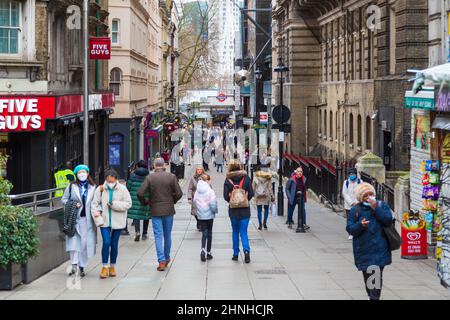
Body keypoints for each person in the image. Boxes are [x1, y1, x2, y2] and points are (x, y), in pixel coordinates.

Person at [346, 182, 393, 300]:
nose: (369, 197)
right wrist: (360, 225)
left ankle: (374, 297)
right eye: (366, 196)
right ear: (361, 198)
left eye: (370, 194)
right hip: (363, 249)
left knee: (376, 275)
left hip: (379, 248)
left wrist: (375, 208)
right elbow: (350, 229)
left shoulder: (382, 205)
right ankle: (370, 295)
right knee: (367, 275)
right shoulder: (355, 210)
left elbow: (387, 220)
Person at [137, 158, 183, 271]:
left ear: (154, 165)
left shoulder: (150, 177)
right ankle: (167, 257)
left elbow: (140, 193)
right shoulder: (171, 177)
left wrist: (146, 202)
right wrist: (173, 201)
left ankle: (161, 260)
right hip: (168, 210)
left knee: (158, 236)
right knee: (167, 235)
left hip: (155, 210)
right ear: (164, 165)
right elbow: (179, 193)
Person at [92, 169, 132, 279]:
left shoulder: (122, 189)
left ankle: (112, 266)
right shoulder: (100, 189)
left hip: (118, 221)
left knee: (114, 244)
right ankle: (104, 266)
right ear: (105, 179)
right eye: (108, 181)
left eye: (112, 181)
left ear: (116, 179)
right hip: (104, 221)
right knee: (106, 242)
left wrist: (114, 204)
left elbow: (128, 204)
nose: (110, 183)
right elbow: (94, 205)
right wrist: (97, 217)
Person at [61, 164, 97, 277]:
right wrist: (72, 204)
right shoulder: (72, 186)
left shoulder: (93, 187)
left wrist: (97, 211)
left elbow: (96, 202)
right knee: (74, 244)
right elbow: (64, 199)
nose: (82, 174)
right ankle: (74, 265)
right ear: (76, 174)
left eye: (84, 172)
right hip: (74, 219)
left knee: (84, 244)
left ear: (87, 173)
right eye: (79, 172)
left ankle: (82, 266)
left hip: (88, 220)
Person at [223, 160, 254, 263]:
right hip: (245, 210)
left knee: (235, 232)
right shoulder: (246, 178)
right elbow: (251, 193)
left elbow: (225, 196)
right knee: (244, 232)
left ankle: (235, 254)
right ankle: (246, 251)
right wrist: (244, 200)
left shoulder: (228, 180)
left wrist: (232, 200)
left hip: (233, 211)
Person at [193, 178, 218, 262]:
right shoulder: (210, 191)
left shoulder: (197, 191)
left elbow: (194, 201)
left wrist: (199, 210)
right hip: (210, 215)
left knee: (204, 233)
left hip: (201, 215)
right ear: (206, 182)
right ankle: (209, 252)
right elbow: (213, 203)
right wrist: (215, 211)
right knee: (210, 233)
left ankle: (202, 250)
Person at [127, 160, 151, 242]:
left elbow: (128, 187)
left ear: (137, 166)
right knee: (146, 215)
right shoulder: (149, 176)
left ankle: (137, 232)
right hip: (146, 198)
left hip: (134, 198)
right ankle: (144, 234)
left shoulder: (132, 175)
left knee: (136, 216)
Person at [252, 166, 275, 230]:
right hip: (266, 195)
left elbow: (253, 188)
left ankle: (260, 224)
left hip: (258, 195)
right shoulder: (268, 177)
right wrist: (272, 196)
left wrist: (253, 195)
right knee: (266, 209)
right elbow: (270, 188)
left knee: (259, 210)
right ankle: (264, 222)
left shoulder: (255, 177)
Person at [342, 167, 362, 240]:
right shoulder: (346, 182)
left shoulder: (360, 182)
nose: (352, 175)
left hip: (358, 204)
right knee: (349, 219)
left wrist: (357, 202)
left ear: (356, 174)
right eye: (350, 174)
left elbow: (361, 192)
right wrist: (351, 202)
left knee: (357, 218)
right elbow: (344, 193)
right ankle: (350, 233)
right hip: (348, 205)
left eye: (353, 174)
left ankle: (357, 232)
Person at [188, 166, 205, 231]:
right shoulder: (193, 178)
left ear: (202, 170)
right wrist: (189, 198)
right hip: (195, 198)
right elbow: (190, 189)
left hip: (203, 198)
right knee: (195, 212)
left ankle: (201, 224)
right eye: (198, 169)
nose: (199, 171)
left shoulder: (205, 177)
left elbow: (210, 187)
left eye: (200, 170)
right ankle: (198, 221)